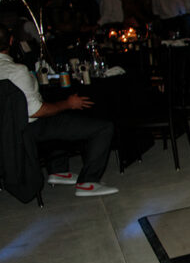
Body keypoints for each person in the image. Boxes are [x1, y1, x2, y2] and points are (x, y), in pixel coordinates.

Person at [0, 24, 118, 197]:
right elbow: (36, 111)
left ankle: (58, 171)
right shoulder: (16, 71)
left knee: (57, 113)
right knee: (103, 127)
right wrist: (69, 103)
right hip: (25, 130)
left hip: (5, 131)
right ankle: (88, 182)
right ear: (11, 41)